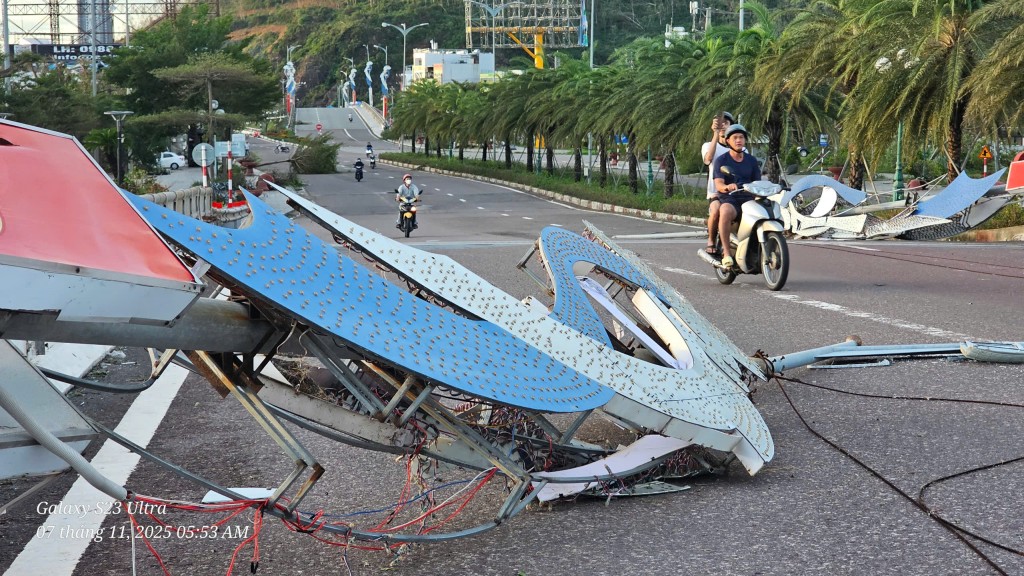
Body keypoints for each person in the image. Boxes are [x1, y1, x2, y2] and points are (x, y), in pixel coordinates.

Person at [712, 124, 762, 269]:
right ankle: (726, 253)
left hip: (748, 197)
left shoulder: (751, 160)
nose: (738, 140)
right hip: (730, 197)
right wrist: (727, 187)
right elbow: (719, 184)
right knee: (726, 211)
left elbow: (757, 182)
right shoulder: (722, 160)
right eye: (735, 138)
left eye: (741, 137)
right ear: (728, 141)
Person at [700, 112, 734, 254]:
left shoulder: (739, 147)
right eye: (719, 123)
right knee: (715, 211)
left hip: (736, 192)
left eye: (726, 123)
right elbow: (708, 159)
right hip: (716, 192)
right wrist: (715, 134)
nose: (722, 125)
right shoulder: (708, 145)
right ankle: (711, 240)